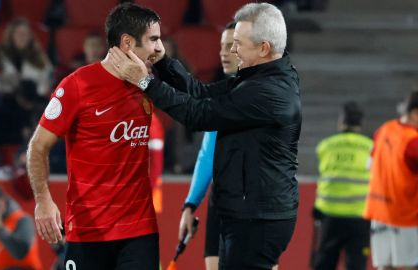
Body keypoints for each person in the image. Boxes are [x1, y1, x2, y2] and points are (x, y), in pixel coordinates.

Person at [110, 2, 301, 269]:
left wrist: (145, 82)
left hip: (257, 220)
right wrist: (163, 63)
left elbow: (198, 114)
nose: (232, 50)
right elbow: (200, 92)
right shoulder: (259, 79)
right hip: (246, 213)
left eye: (238, 44)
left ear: (264, 48)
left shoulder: (268, 92)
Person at [26, 3, 163, 269]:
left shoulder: (150, 84)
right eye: (154, 40)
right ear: (126, 42)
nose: (160, 49)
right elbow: (37, 146)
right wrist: (43, 201)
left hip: (140, 231)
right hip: (89, 230)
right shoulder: (78, 85)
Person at [179, 21, 239, 270]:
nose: (223, 52)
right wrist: (190, 205)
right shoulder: (220, 96)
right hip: (221, 200)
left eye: (231, 46)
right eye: (221, 46)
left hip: (257, 205)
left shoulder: (268, 96)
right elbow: (207, 153)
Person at [311, 102, 373, 270]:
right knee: (356, 264)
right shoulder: (371, 148)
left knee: (324, 262)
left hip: (329, 216)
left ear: (341, 121)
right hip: (359, 216)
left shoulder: (325, 146)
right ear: (360, 123)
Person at [363, 91, 418, 270]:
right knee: (409, 265)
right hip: (405, 216)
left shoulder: (384, 129)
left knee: (384, 266)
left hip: (379, 212)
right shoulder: (413, 142)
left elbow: (369, 164)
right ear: (414, 113)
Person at [0, 18, 53, 97]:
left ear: (30, 36)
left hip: (33, 99)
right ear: (11, 36)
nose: (22, 37)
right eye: (18, 33)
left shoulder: (39, 56)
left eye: (25, 34)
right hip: (5, 98)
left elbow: (46, 80)